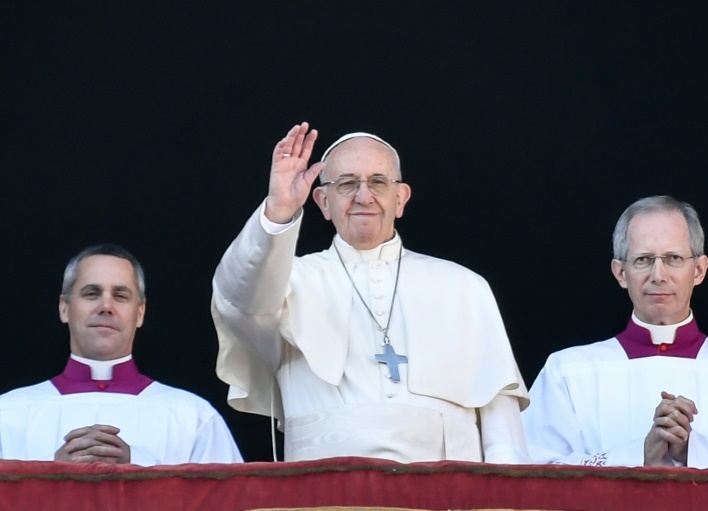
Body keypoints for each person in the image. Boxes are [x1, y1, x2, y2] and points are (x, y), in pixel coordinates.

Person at [211, 122, 530, 463]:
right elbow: (237, 299)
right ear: (323, 202)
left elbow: (501, 421)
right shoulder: (289, 281)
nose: (364, 197)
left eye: (378, 182)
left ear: (400, 198)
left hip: (447, 493)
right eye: (347, 184)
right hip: (324, 493)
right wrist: (278, 210)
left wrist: (509, 489)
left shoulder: (463, 286)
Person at [522, 195, 708, 468]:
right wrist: (641, 454)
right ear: (621, 273)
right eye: (643, 259)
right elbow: (536, 476)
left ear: (699, 270)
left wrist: (694, 450)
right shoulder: (567, 373)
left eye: (673, 258)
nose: (658, 275)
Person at [0, 244, 243, 465]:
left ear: (140, 313)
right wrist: (51, 473)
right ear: (64, 308)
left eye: (120, 295)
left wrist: (138, 467)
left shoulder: (194, 417)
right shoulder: (8, 414)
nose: (106, 306)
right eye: (91, 293)